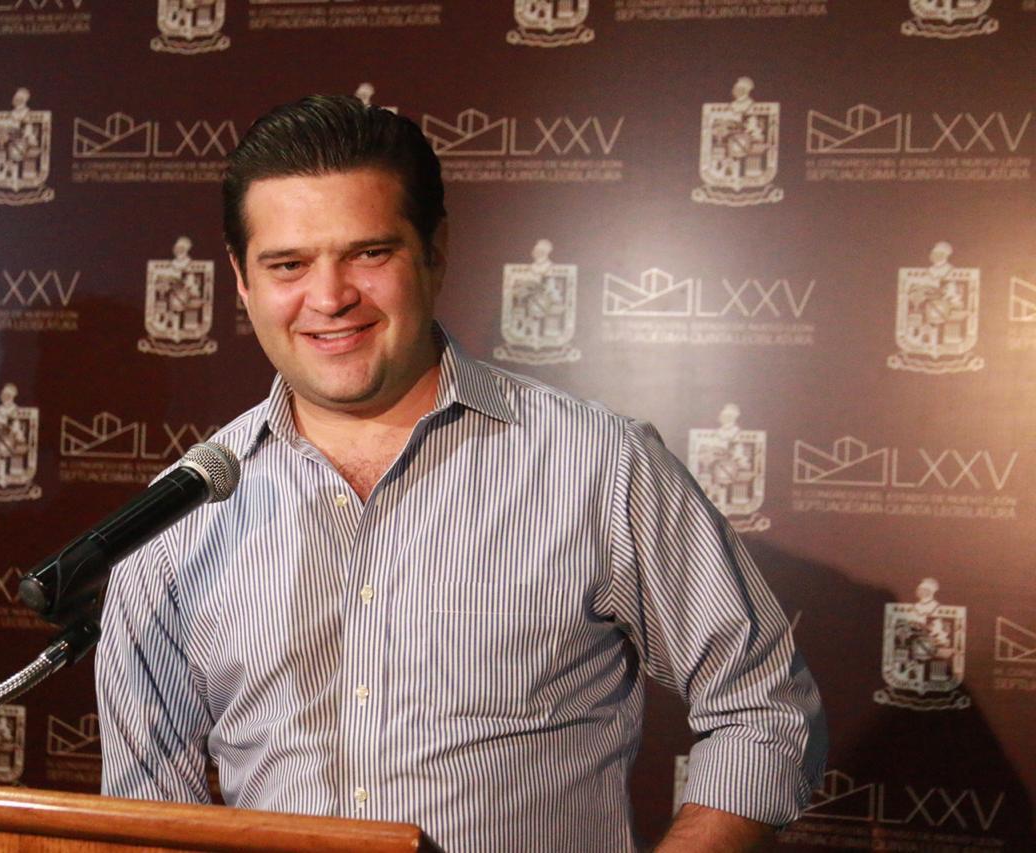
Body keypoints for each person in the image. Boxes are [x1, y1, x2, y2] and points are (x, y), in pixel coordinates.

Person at [96, 94, 826, 852]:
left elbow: (764, 710)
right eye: (289, 264)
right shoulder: (173, 521)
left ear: (435, 252)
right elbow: (145, 812)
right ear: (243, 280)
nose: (330, 297)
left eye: (369, 254)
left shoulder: (600, 464)